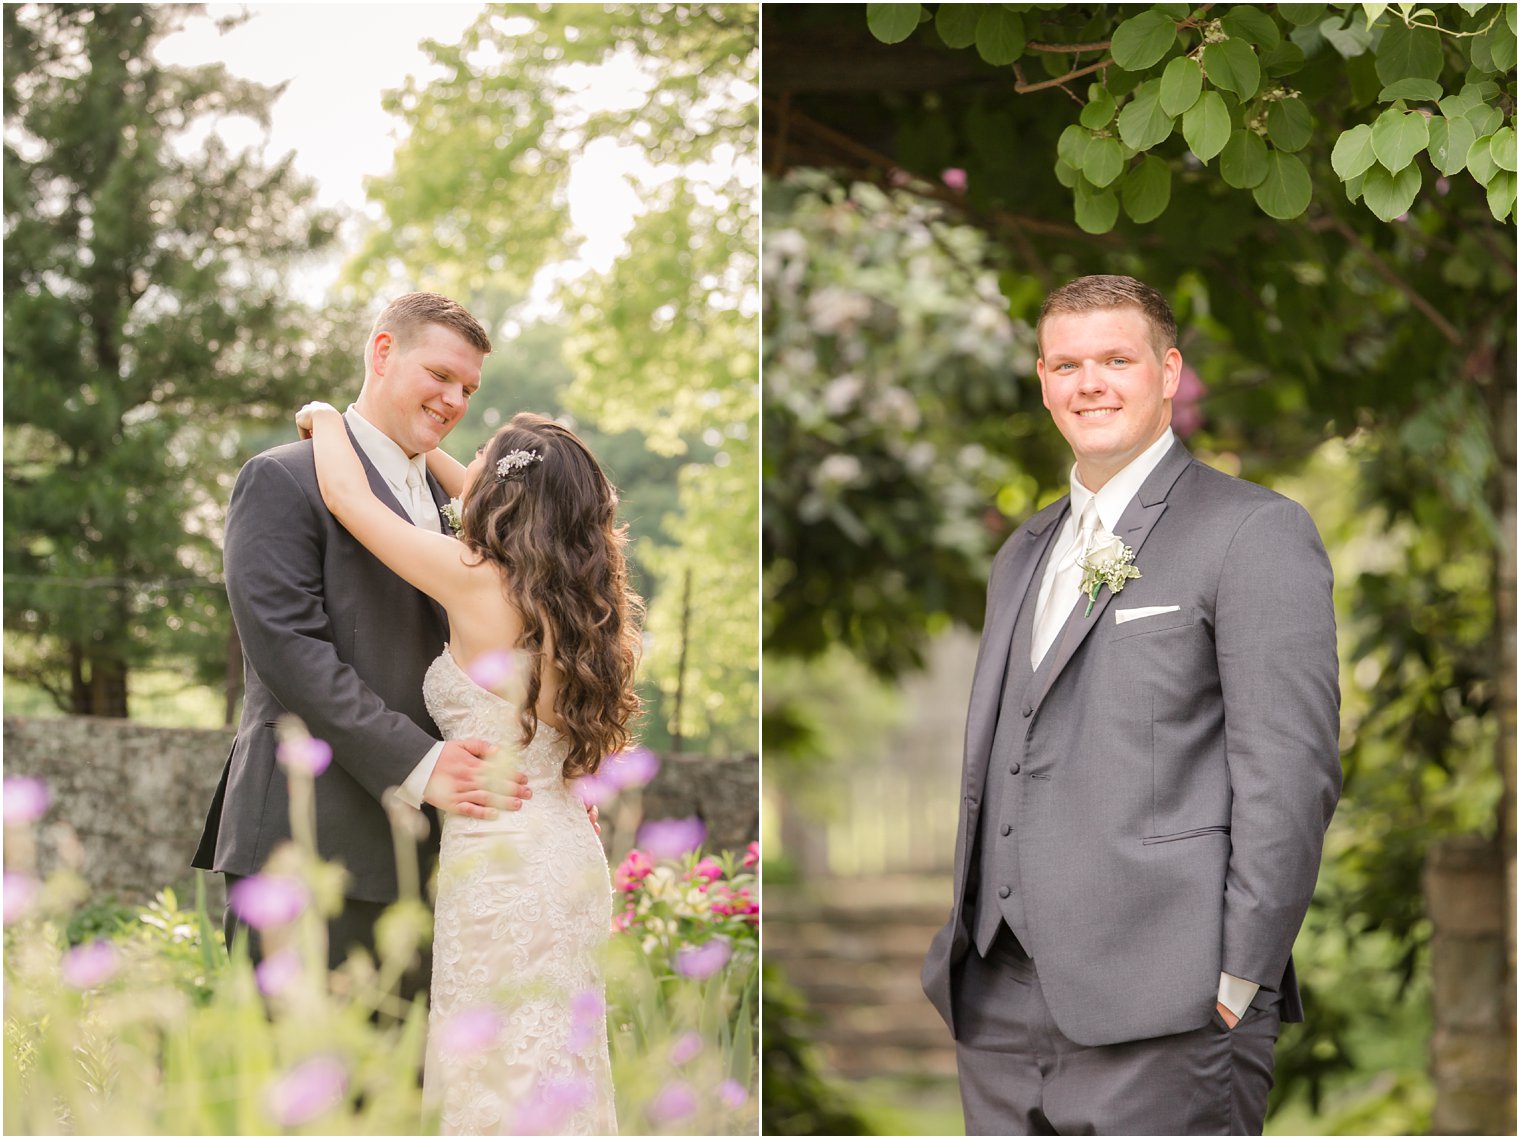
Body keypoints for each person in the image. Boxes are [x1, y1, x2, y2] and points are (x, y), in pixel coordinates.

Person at [921, 275, 1342, 1135]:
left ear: (1169, 371)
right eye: (1068, 364)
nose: (1090, 384)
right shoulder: (1023, 552)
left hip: (1173, 1006)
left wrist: (1239, 976)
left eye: (1117, 359)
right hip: (1000, 1009)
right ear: (1043, 381)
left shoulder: (1252, 531)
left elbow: (1290, 773)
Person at [295, 400, 641, 1135]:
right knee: (552, 1064)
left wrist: (326, 416)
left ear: (504, 494)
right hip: (563, 849)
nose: (467, 460)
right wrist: (504, 462)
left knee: (496, 1067)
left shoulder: (475, 576)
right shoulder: (580, 601)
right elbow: (484, 488)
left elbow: (347, 497)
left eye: (481, 454)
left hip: (501, 860)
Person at [192, 293, 530, 986]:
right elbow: (289, 648)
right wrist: (422, 763)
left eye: (468, 388)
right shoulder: (283, 479)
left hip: (434, 861)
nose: (453, 399)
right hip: (308, 843)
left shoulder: (459, 510)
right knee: (297, 1085)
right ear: (382, 352)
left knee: (404, 1090)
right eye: (439, 374)